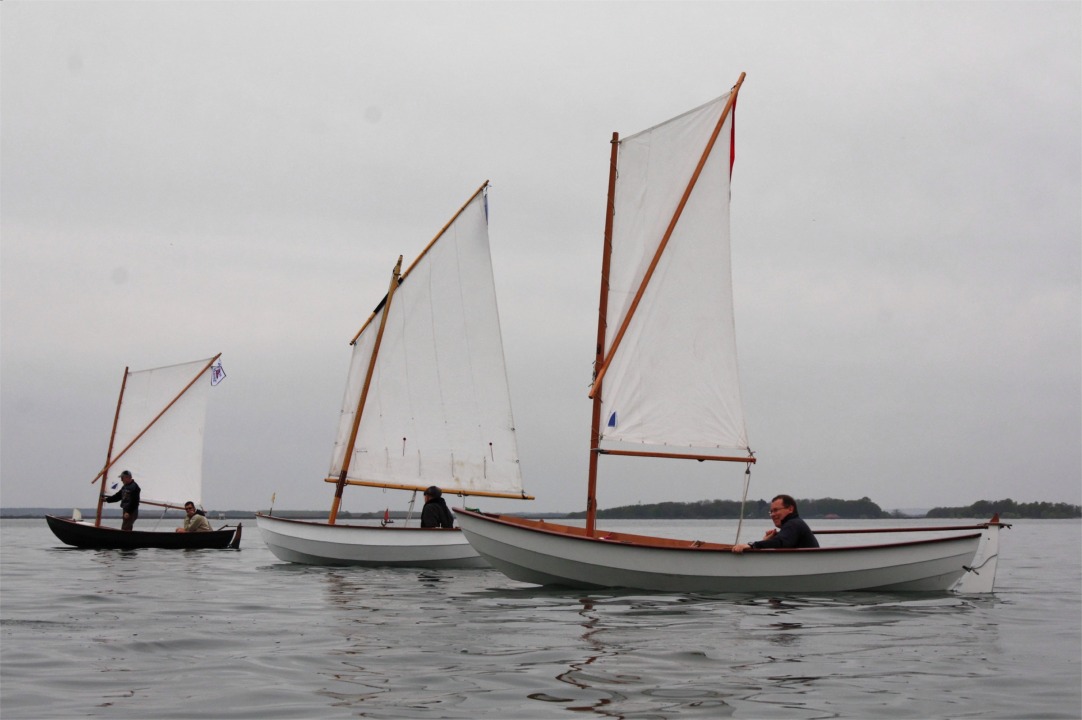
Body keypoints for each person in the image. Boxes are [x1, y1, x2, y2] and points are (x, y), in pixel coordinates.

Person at [731, 494, 818, 553]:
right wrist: (766, 541)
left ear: (790, 509)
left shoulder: (793, 524)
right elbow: (782, 542)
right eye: (771, 512)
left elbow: (780, 542)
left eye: (776, 510)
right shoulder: (794, 523)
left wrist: (752, 545)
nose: (772, 515)